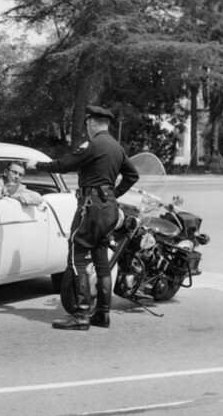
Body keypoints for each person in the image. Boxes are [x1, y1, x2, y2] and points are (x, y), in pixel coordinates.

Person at [27, 105, 139, 330]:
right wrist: (112, 195)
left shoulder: (93, 144)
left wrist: (37, 165)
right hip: (108, 209)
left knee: (77, 255)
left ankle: (81, 314)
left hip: (91, 208)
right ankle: (102, 314)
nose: (86, 128)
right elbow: (132, 175)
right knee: (101, 261)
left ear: (94, 123)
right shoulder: (117, 148)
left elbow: (66, 164)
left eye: (87, 124)